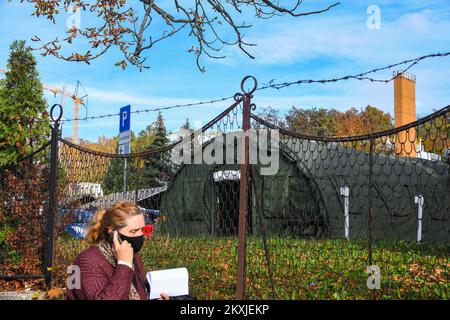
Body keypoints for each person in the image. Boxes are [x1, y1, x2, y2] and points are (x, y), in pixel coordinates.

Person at [66, 200, 169, 300]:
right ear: (112, 232)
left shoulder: (133, 256)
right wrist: (124, 265)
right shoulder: (88, 261)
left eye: (143, 229)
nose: (140, 235)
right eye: (133, 231)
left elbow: (141, 294)